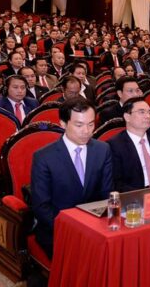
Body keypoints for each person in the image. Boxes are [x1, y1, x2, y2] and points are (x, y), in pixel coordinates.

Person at [31, 97, 113, 258]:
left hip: (95, 226)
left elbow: (107, 194)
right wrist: (73, 230)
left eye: (91, 124)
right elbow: (42, 206)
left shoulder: (103, 149)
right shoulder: (44, 157)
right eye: (79, 125)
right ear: (63, 123)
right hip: (58, 229)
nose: (87, 131)